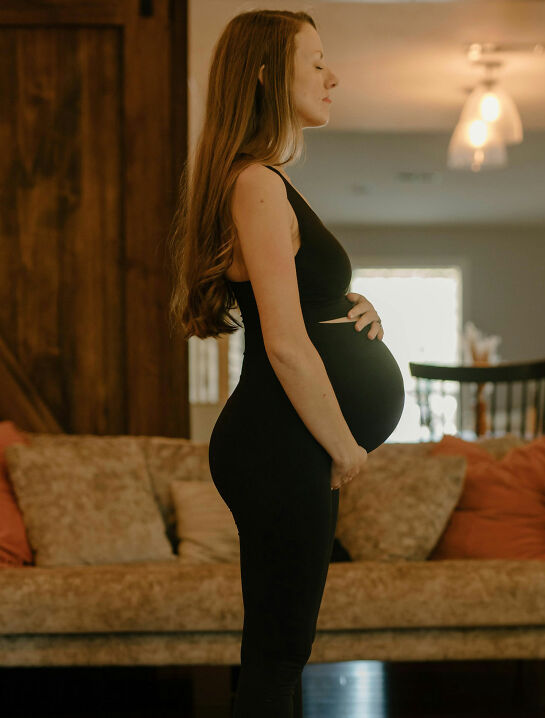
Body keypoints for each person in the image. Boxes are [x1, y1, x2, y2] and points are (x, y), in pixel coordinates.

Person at [168, 10, 405, 717]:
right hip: (283, 444)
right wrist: (345, 447)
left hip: (287, 444)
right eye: (317, 61)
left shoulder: (261, 181)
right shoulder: (256, 182)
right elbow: (284, 343)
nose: (334, 77)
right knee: (277, 659)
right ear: (269, 75)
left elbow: (296, 304)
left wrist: (349, 303)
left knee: (280, 654)